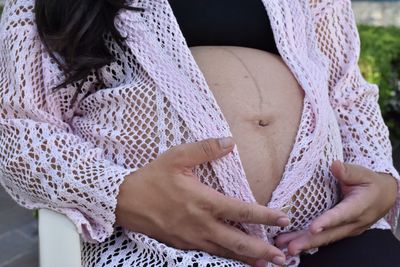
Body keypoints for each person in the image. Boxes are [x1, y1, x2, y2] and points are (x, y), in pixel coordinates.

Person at [0, 0, 399, 266]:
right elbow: (15, 128)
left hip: (324, 234)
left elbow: (345, 93)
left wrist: (379, 176)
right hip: (158, 246)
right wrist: (118, 193)